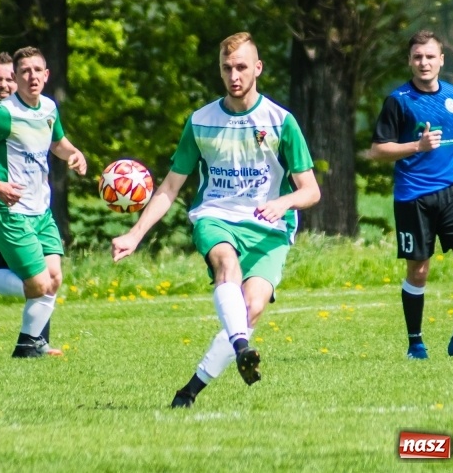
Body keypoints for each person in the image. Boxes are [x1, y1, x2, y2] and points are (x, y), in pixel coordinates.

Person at [112, 32, 321, 408]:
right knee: (226, 265)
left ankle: (189, 391)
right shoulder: (201, 121)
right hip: (216, 216)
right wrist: (134, 234)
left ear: (258, 68)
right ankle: (242, 346)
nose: (234, 75)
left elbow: (311, 191)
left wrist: (283, 202)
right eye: (227, 68)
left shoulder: (280, 122)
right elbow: (170, 187)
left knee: (252, 307)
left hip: (269, 228)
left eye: (241, 67)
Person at [0, 46, 87, 358]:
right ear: (17, 77)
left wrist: (75, 154)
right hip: (10, 212)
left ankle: (27, 345)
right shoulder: (3, 113)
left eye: (37, 70)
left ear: (46, 75)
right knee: (37, 285)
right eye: (24, 71)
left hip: (41, 211)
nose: (31, 76)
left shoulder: (49, 108)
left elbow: (58, 143)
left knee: (54, 278)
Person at [370, 29, 453, 361]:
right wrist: (416, 146)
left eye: (430, 56)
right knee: (419, 271)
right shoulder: (398, 100)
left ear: (441, 60)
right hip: (414, 196)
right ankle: (416, 344)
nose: (424, 62)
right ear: (410, 61)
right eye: (418, 57)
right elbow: (378, 150)